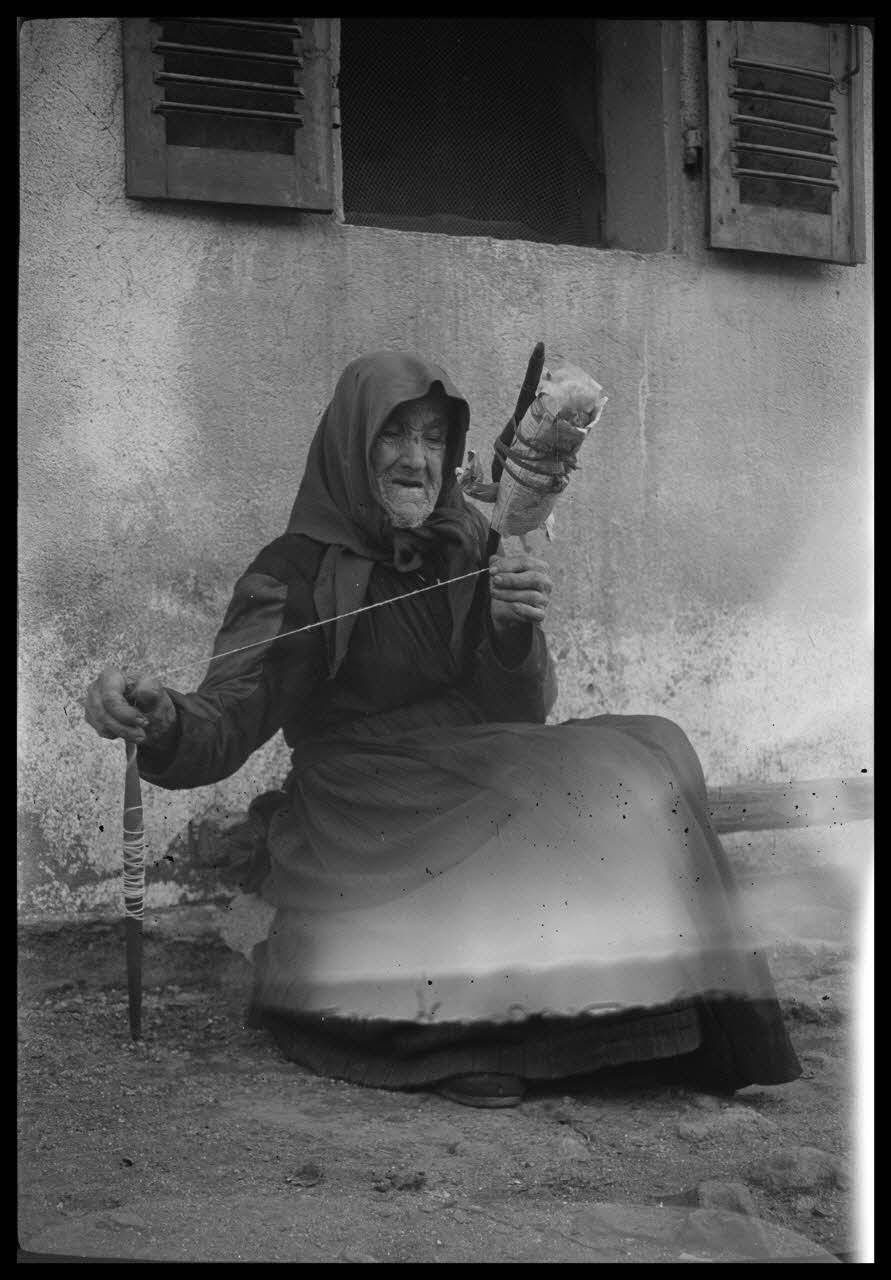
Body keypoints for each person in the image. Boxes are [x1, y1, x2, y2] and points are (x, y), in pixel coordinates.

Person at [85, 350, 801, 1108]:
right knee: (572, 776)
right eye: (393, 436)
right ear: (351, 448)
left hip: (471, 763)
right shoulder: (292, 571)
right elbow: (227, 716)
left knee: (655, 746)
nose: (416, 459)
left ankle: (651, 1025)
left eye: (433, 439)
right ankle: (455, 1040)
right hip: (367, 794)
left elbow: (519, 714)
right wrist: (163, 718)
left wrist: (509, 633)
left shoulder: (468, 542)